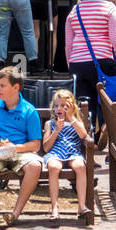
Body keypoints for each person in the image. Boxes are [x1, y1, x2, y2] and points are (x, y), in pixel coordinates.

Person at [0, 66, 44, 230]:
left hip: (20, 153)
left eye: (2, 86)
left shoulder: (29, 110)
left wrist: (14, 148)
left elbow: (36, 144)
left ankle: (14, 214)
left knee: (35, 166)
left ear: (16, 87)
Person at [64, 0, 116, 134]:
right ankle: (109, 131)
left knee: (85, 105)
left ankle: (88, 138)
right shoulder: (109, 7)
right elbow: (115, 38)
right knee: (111, 101)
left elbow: (68, 44)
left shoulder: (74, 10)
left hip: (78, 63)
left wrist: (71, 65)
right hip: (103, 61)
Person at [41, 88, 90, 221]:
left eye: (63, 105)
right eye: (56, 105)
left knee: (80, 166)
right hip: (55, 152)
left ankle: (81, 205)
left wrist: (71, 118)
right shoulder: (50, 124)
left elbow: (84, 135)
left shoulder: (76, 122)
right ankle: (54, 208)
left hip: (73, 152)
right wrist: (56, 130)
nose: (59, 108)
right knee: (54, 167)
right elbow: (46, 148)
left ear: (71, 107)